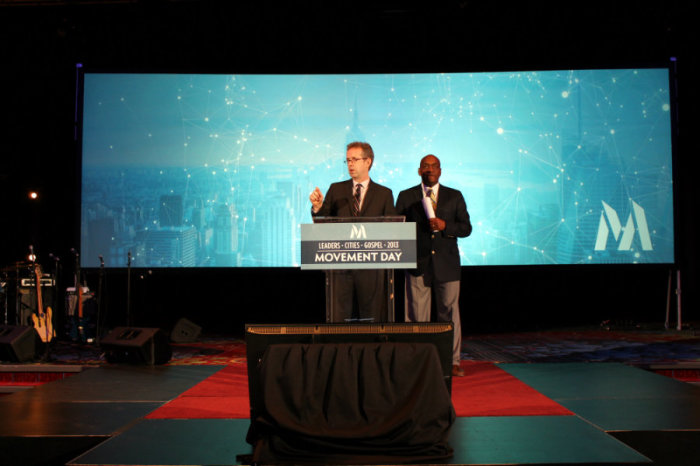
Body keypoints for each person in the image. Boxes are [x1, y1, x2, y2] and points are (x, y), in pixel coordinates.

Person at [396, 154, 472, 376]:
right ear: (419, 171)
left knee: (449, 315)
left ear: (440, 170)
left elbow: (466, 228)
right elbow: (396, 227)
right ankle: (416, 360)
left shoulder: (454, 196)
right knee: (416, 315)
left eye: (434, 166)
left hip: (447, 265)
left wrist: (445, 225)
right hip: (417, 263)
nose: (430, 170)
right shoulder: (406, 196)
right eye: (425, 166)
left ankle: (452, 361)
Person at [310, 141, 396, 322]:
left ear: (368, 162)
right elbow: (323, 222)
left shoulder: (384, 194)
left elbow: (391, 230)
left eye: (355, 160)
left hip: (371, 268)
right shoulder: (336, 189)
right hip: (341, 269)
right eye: (347, 160)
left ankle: (373, 349)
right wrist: (318, 208)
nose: (350, 164)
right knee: (340, 318)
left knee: (371, 318)